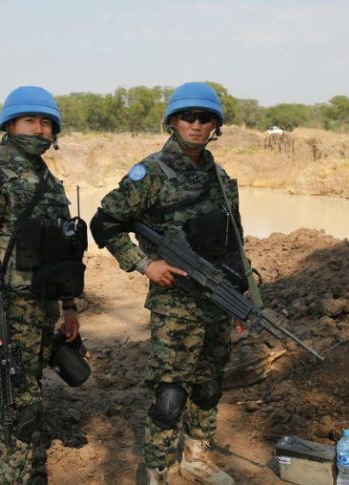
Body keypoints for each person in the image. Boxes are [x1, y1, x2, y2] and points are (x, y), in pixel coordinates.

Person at [91, 82, 242, 484]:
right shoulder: (151, 174)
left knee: (209, 386)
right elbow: (104, 223)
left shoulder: (222, 179)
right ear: (172, 122)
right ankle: (160, 469)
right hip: (175, 305)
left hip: (217, 301)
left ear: (216, 126)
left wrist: (243, 300)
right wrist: (144, 264)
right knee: (170, 395)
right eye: (187, 117)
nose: (196, 124)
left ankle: (196, 458)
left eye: (204, 117)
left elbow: (236, 244)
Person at [0, 86, 82, 484]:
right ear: (9, 125)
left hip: (41, 312)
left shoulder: (51, 184)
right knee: (17, 410)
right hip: (4, 313)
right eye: (31, 121)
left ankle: (20, 471)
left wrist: (69, 307)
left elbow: (63, 256)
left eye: (46, 124)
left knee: (31, 399)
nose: (39, 131)